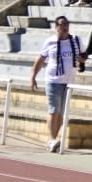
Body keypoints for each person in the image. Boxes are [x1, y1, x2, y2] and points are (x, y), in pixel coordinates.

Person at [29, 16, 86, 153]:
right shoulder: (50, 42)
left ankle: (54, 138)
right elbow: (41, 59)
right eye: (62, 24)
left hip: (69, 82)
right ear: (56, 27)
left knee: (61, 112)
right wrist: (33, 76)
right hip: (53, 80)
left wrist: (82, 62)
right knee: (54, 109)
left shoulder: (76, 40)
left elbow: (82, 56)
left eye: (67, 24)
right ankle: (51, 138)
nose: (65, 27)